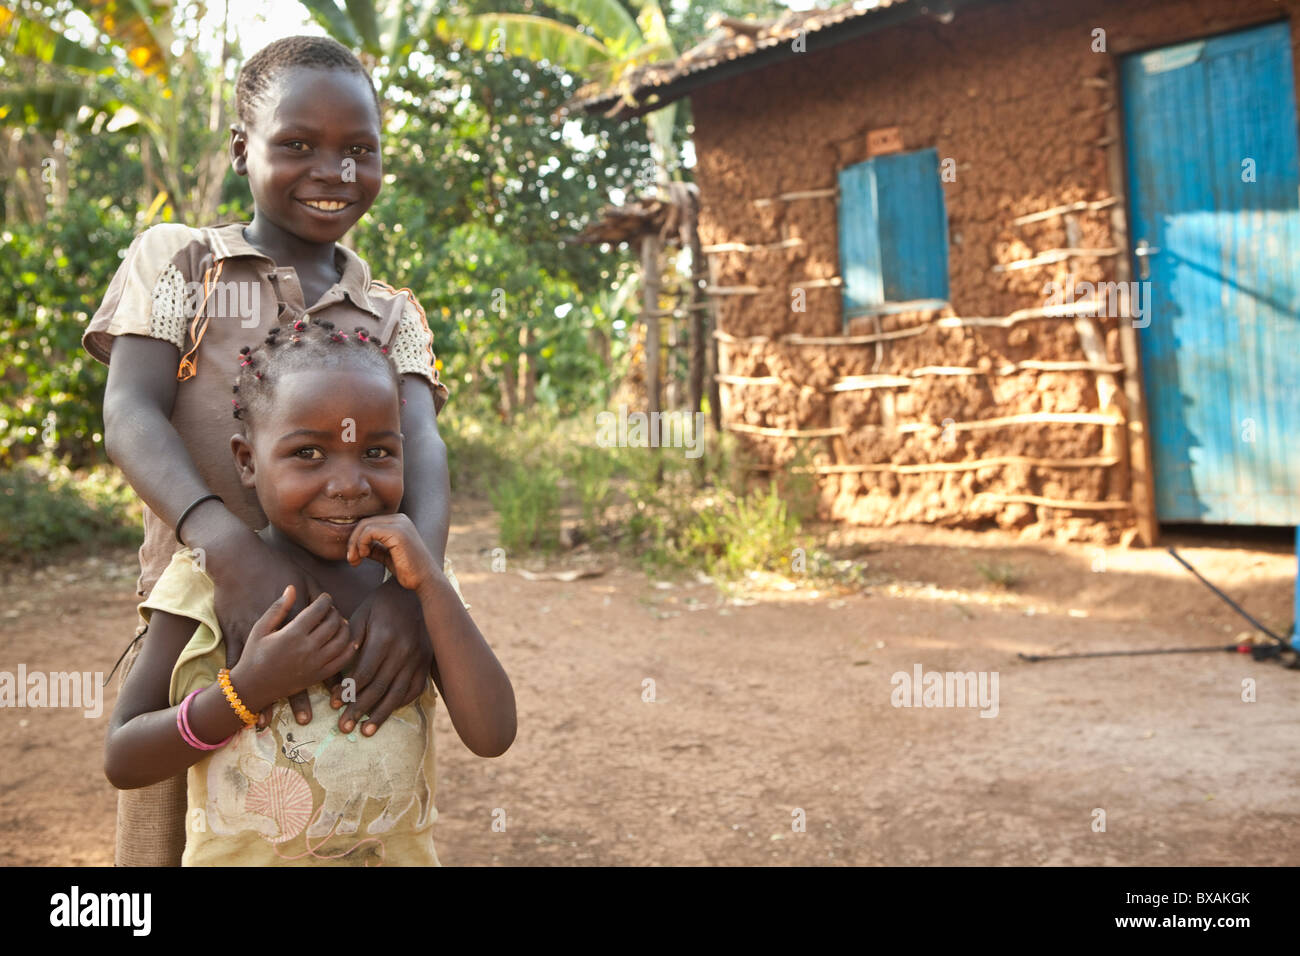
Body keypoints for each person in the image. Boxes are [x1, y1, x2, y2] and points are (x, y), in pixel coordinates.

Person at [85, 35, 455, 865]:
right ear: (240, 147)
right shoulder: (182, 262)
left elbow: (425, 453)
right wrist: (224, 551)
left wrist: (409, 595)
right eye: (297, 144)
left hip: (351, 624)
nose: (335, 171)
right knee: (174, 838)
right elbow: (131, 414)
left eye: (361, 150)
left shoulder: (393, 315)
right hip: (201, 633)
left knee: (342, 818)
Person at [104, 318, 516, 865]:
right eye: (308, 454)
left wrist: (431, 587)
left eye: (377, 453)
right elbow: (124, 757)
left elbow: (492, 733)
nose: (349, 484)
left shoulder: (413, 583)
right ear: (248, 462)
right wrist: (245, 692)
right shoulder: (204, 583)